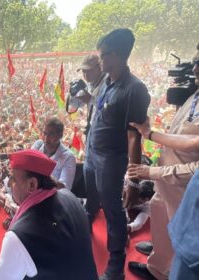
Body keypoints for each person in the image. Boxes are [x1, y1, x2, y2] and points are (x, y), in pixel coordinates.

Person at [125, 43, 199, 279]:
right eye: (196, 62)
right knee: (158, 213)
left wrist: (151, 172)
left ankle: (166, 271)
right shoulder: (194, 95)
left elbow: (195, 168)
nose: (195, 69)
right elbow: (180, 136)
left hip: (184, 192)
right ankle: (157, 266)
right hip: (165, 181)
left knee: (181, 242)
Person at [83, 28, 151, 280]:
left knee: (113, 212)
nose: (100, 60)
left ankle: (115, 266)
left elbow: (134, 137)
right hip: (91, 154)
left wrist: (133, 180)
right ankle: (85, 229)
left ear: (119, 54)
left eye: (103, 55)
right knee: (92, 201)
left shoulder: (135, 90)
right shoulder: (108, 83)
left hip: (110, 160)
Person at [0, 149, 97, 280]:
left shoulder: (18, 237)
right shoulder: (70, 196)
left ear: (32, 185)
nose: (10, 184)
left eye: (13, 179)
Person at [31, 117, 76, 190]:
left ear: (60, 135)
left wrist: (45, 177)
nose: (46, 138)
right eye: (45, 133)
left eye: (51, 134)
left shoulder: (68, 157)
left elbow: (65, 188)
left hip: (54, 197)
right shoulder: (37, 146)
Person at [72, 54, 108, 134]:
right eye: (83, 71)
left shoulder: (107, 82)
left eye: (89, 71)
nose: (86, 74)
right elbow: (76, 105)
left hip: (104, 130)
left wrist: (91, 99)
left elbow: (108, 107)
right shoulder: (90, 83)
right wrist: (73, 95)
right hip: (93, 126)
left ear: (99, 68)